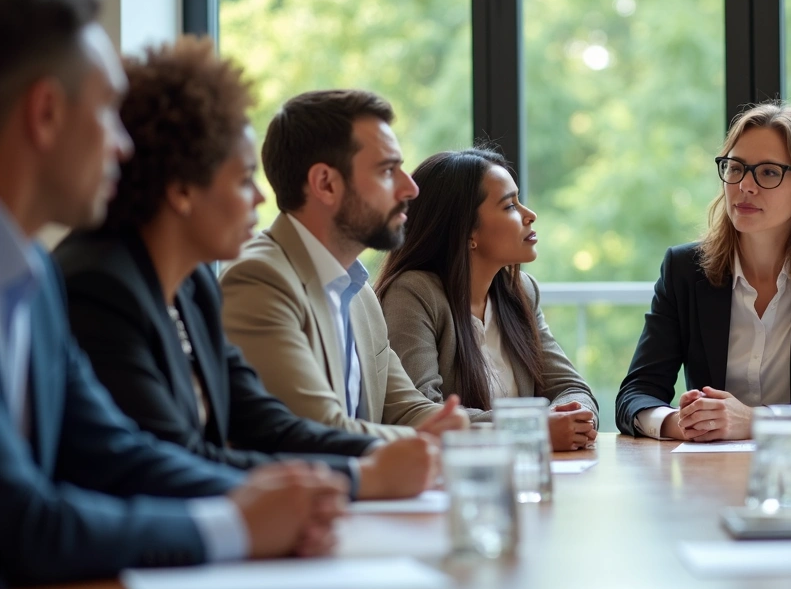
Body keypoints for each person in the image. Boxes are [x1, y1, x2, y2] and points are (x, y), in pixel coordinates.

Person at [0, 0, 347, 588]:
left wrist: (289, 500)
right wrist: (234, 526)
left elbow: (115, 450)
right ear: (47, 113)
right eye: (108, 111)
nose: (125, 145)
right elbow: (21, 523)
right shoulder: (80, 279)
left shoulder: (36, 282)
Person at [53, 37, 439, 499]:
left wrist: (398, 458)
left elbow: (269, 425)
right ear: (182, 191)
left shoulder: (194, 287)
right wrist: (360, 478)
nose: (259, 198)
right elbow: (174, 460)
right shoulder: (100, 284)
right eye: (242, 180)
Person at [615, 101, 791, 440]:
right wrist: (679, 422)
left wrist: (756, 421)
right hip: (710, 477)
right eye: (735, 168)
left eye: (768, 172)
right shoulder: (684, 270)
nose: (745, 185)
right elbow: (634, 395)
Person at [218, 89, 469, 440]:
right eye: (387, 170)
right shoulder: (258, 280)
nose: (410, 188)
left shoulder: (359, 292)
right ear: (326, 184)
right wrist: (441, 438)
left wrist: (521, 428)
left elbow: (410, 411)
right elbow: (319, 431)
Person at [375, 148, 598, 451]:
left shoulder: (519, 292)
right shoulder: (414, 294)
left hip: (528, 476)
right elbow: (422, 414)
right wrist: (531, 429)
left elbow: (572, 387)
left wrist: (572, 416)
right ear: (467, 231)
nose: (529, 215)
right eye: (509, 206)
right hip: (455, 484)